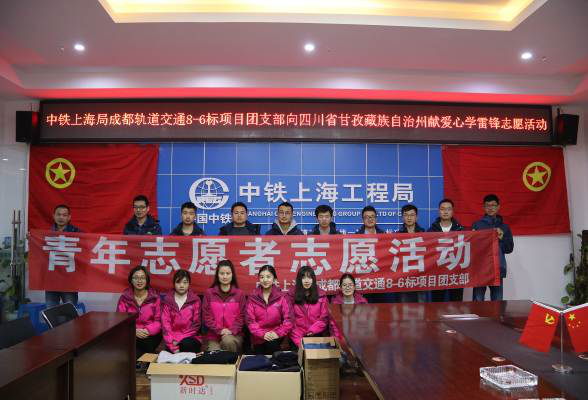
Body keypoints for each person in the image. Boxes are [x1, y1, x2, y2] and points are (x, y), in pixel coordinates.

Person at [472, 194, 514, 301]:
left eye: (493, 205)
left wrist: (501, 238)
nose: (490, 208)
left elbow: (509, 249)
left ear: (498, 207)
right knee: (478, 300)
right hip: (480, 269)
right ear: (484, 207)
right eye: (487, 205)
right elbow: (472, 248)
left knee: (497, 301)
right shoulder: (477, 225)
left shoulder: (504, 227)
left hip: (497, 268)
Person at [116, 266, 162, 360]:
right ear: (131, 280)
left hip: (150, 333)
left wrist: (147, 330)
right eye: (136, 278)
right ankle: (145, 361)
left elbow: (158, 321)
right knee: (130, 347)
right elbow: (120, 320)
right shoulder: (124, 298)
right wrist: (134, 331)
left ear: (147, 280)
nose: (139, 281)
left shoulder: (155, 298)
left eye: (142, 278)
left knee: (146, 344)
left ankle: (140, 360)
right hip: (131, 332)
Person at [246, 265, 292, 354]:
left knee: (272, 346)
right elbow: (250, 321)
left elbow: (289, 319)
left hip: (277, 336)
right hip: (258, 337)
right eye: (262, 277)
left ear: (274, 279)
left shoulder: (282, 297)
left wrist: (277, 333)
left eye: (268, 277)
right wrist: (262, 334)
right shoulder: (252, 298)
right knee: (259, 358)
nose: (265, 280)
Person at [202, 260, 246, 352]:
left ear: (232, 275)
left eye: (228, 273)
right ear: (217, 275)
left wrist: (231, 330)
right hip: (213, 336)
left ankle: (233, 361)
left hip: (234, 335)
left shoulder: (240, 294)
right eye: (222, 273)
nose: (225, 276)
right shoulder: (209, 293)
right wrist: (219, 330)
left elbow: (242, 316)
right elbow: (206, 316)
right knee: (215, 355)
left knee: (228, 341)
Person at [428, 199, 464, 302]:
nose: (445, 212)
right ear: (439, 211)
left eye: (448, 209)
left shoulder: (461, 230)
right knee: (437, 303)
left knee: (456, 303)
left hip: (456, 272)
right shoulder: (431, 231)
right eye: (442, 209)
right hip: (437, 272)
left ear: (452, 211)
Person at [46, 204, 81, 307]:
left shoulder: (77, 233)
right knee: (51, 310)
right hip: (51, 279)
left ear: (69, 217)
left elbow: (85, 251)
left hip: (69, 279)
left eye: (64, 215)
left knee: (70, 311)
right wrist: (32, 238)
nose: (61, 217)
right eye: (58, 214)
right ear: (53, 216)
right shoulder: (46, 234)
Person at [288, 266, 330, 348]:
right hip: (296, 337)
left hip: (316, 335)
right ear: (299, 280)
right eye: (303, 278)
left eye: (309, 277)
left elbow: (324, 318)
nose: (306, 281)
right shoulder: (291, 296)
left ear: (313, 279)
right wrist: (299, 342)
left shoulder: (322, 296)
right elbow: (289, 319)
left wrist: (313, 330)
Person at [161, 270, 202, 353]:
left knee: (186, 344)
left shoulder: (195, 300)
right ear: (174, 284)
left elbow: (196, 325)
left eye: (185, 282)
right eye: (178, 282)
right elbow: (165, 324)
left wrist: (180, 339)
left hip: (191, 337)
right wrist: (171, 342)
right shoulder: (167, 300)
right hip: (172, 339)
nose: (181, 285)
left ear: (189, 284)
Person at [396, 204, 427, 303]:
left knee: (421, 306)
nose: (409, 218)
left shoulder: (425, 234)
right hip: (403, 277)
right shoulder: (397, 236)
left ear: (416, 217)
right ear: (402, 217)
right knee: (404, 306)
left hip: (420, 276)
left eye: (412, 215)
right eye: (406, 215)